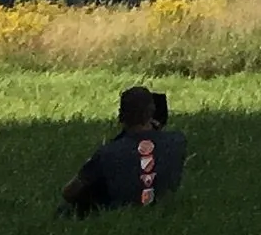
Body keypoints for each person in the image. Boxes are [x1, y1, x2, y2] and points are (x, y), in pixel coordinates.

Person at [57, 86, 187, 217]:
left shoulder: (108, 153)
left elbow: (69, 192)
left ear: (121, 115)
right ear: (152, 112)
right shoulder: (177, 141)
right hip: (160, 210)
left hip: (116, 213)